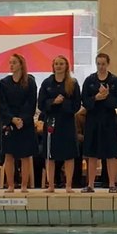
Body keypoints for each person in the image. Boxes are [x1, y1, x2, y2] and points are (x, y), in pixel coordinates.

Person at [38, 55, 82, 192]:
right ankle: (51, 185)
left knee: (69, 155)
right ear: (53, 66)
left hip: (67, 122)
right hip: (51, 122)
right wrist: (53, 102)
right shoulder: (47, 83)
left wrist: (63, 103)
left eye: (61, 64)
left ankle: (68, 185)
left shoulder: (73, 83)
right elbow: (41, 104)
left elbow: (76, 105)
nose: (58, 66)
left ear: (66, 66)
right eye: (56, 63)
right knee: (49, 155)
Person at [82, 53, 117, 192]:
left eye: (103, 64)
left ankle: (112, 184)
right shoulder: (90, 81)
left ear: (108, 64)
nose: (101, 67)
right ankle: (90, 184)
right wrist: (97, 97)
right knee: (92, 153)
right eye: (98, 64)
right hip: (93, 120)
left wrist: (106, 97)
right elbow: (85, 102)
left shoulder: (114, 80)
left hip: (109, 120)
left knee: (110, 153)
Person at [0, 53, 38, 193]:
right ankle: (10, 185)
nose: (11, 65)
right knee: (9, 154)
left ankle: (23, 185)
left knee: (25, 155)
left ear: (21, 64)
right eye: (10, 62)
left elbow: (31, 103)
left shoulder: (30, 82)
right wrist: (12, 119)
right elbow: (2, 105)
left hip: (24, 123)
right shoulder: (4, 83)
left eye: (14, 62)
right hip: (10, 123)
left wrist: (22, 119)